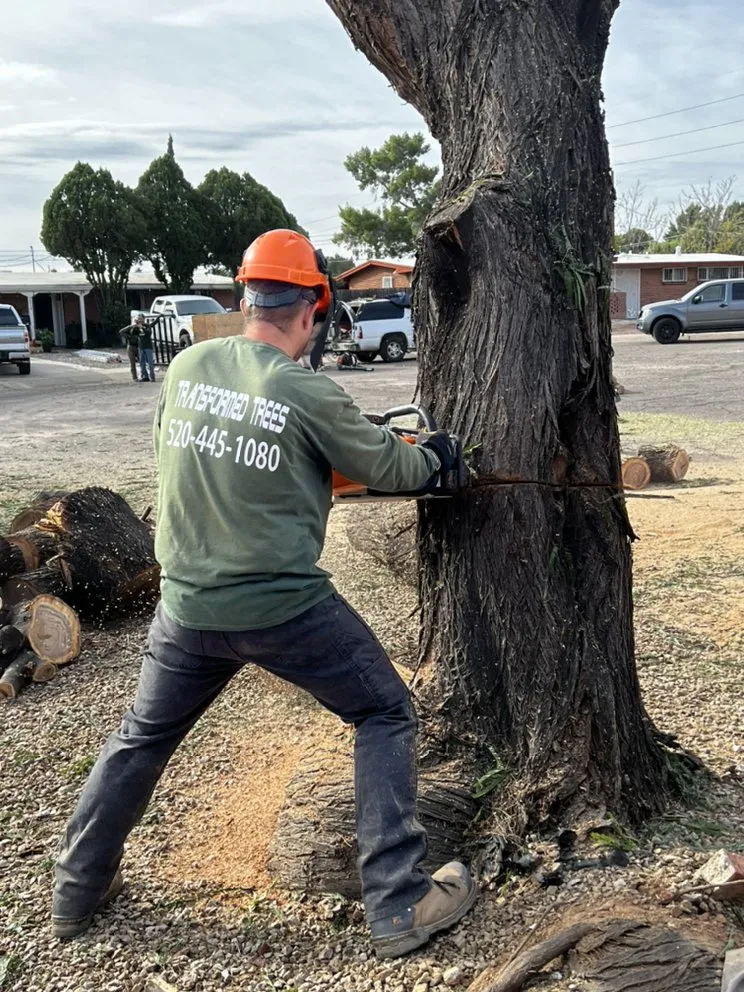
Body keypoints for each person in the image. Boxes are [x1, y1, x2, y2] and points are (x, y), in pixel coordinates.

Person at [51, 230, 476, 959]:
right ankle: (400, 901)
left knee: (142, 737)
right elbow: (394, 469)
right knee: (382, 710)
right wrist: (437, 456)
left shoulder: (184, 368)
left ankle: (76, 888)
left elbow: (199, 455)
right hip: (281, 606)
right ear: (314, 303)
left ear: (245, 297)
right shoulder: (305, 389)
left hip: (185, 607)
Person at [138, 318, 156, 383]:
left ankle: (152, 377)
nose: (140, 321)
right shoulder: (137, 327)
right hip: (141, 347)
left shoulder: (147, 326)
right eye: (138, 320)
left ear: (143, 320)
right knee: (142, 363)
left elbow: (149, 333)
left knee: (150, 363)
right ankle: (145, 377)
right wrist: (134, 326)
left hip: (148, 346)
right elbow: (132, 333)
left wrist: (142, 327)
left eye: (141, 320)